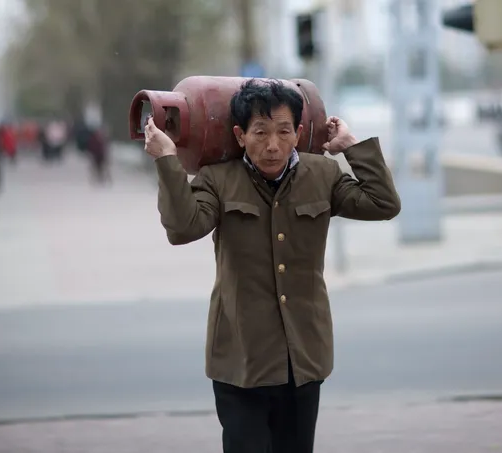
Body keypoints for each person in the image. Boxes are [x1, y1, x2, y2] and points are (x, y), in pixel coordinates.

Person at [144, 78, 401, 453]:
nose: (273, 145)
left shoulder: (322, 175)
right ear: (240, 134)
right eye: (260, 132)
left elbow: (383, 203)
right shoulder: (218, 179)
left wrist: (350, 147)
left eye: (283, 131)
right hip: (240, 361)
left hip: (304, 358)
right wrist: (167, 161)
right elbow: (182, 228)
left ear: (298, 134)